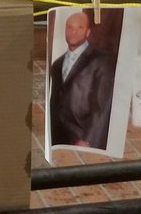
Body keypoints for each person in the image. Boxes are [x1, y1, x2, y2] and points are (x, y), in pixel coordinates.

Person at [49, 10, 115, 149]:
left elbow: (102, 104)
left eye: (80, 27)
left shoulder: (101, 60)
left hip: (83, 137)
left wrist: (88, 139)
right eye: (70, 27)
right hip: (59, 137)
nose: (74, 32)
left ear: (88, 32)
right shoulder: (57, 64)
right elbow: (55, 102)